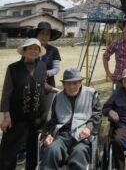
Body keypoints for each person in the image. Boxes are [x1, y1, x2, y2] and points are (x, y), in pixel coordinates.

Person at [0, 38, 59, 170]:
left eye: (36, 49)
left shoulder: (42, 66)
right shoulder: (13, 69)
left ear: (39, 52)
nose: (33, 51)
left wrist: (54, 89)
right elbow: (6, 94)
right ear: (24, 51)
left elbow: (41, 84)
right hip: (16, 118)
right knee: (8, 152)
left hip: (37, 119)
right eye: (30, 48)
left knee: (33, 152)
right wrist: (6, 117)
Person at [16, 21, 62, 165]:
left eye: (47, 34)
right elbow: (23, 67)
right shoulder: (29, 49)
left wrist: (42, 73)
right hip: (29, 88)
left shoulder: (54, 50)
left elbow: (56, 69)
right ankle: (23, 149)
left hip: (48, 87)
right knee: (27, 116)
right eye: (42, 33)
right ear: (36, 35)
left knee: (42, 117)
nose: (44, 36)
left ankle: (40, 146)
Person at [39, 68, 102, 170]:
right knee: (51, 150)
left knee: (79, 154)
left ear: (81, 82)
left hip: (82, 137)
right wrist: (49, 134)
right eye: (68, 83)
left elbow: (97, 115)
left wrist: (88, 128)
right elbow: (54, 120)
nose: (72, 87)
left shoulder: (91, 94)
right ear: (64, 84)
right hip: (62, 136)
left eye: (75, 83)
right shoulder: (58, 96)